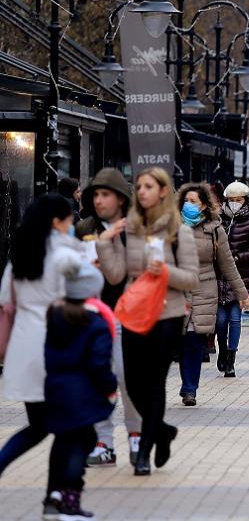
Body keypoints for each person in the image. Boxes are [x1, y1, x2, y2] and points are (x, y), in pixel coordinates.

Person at [95, 166, 199, 475]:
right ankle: (163, 430)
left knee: (154, 383)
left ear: (163, 191)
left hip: (167, 314)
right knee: (133, 383)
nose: (141, 191)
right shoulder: (130, 229)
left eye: (148, 186)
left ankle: (144, 453)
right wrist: (107, 241)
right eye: (139, 186)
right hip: (134, 314)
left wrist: (166, 272)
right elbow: (115, 275)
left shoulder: (180, 232)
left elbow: (192, 279)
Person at [0, 194, 82, 504]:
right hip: (56, 349)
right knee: (66, 428)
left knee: (40, 426)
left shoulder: (20, 254)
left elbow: (6, 304)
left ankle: (54, 497)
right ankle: (55, 498)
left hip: (24, 349)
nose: (71, 224)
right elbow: (86, 289)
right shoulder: (63, 253)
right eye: (69, 219)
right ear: (57, 221)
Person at [76, 168, 142, 467]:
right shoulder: (82, 229)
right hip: (92, 317)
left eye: (106, 194)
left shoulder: (136, 229)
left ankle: (136, 435)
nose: (100, 200)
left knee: (129, 378)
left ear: (120, 199)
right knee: (96, 381)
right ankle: (103, 441)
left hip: (128, 315)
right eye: (96, 195)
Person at [43, 261, 117, 520]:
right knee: (81, 445)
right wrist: (110, 388)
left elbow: (47, 356)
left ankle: (55, 495)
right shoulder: (96, 324)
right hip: (84, 395)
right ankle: (70, 502)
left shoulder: (54, 317)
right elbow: (100, 363)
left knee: (64, 441)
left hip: (56, 390)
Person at [175, 183, 248, 406]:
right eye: (186, 201)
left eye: (193, 201)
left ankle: (190, 388)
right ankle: (184, 381)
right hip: (177, 288)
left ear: (204, 205)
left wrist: (242, 294)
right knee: (181, 341)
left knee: (195, 339)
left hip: (204, 288)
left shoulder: (215, 229)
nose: (189, 205)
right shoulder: (171, 228)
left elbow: (227, 265)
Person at [217, 181, 249, 378]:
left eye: (239, 200)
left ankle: (231, 359)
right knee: (220, 321)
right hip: (219, 277)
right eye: (231, 200)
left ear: (245, 201)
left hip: (240, 276)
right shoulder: (218, 220)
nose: (235, 203)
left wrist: (239, 257)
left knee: (235, 319)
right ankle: (222, 350)